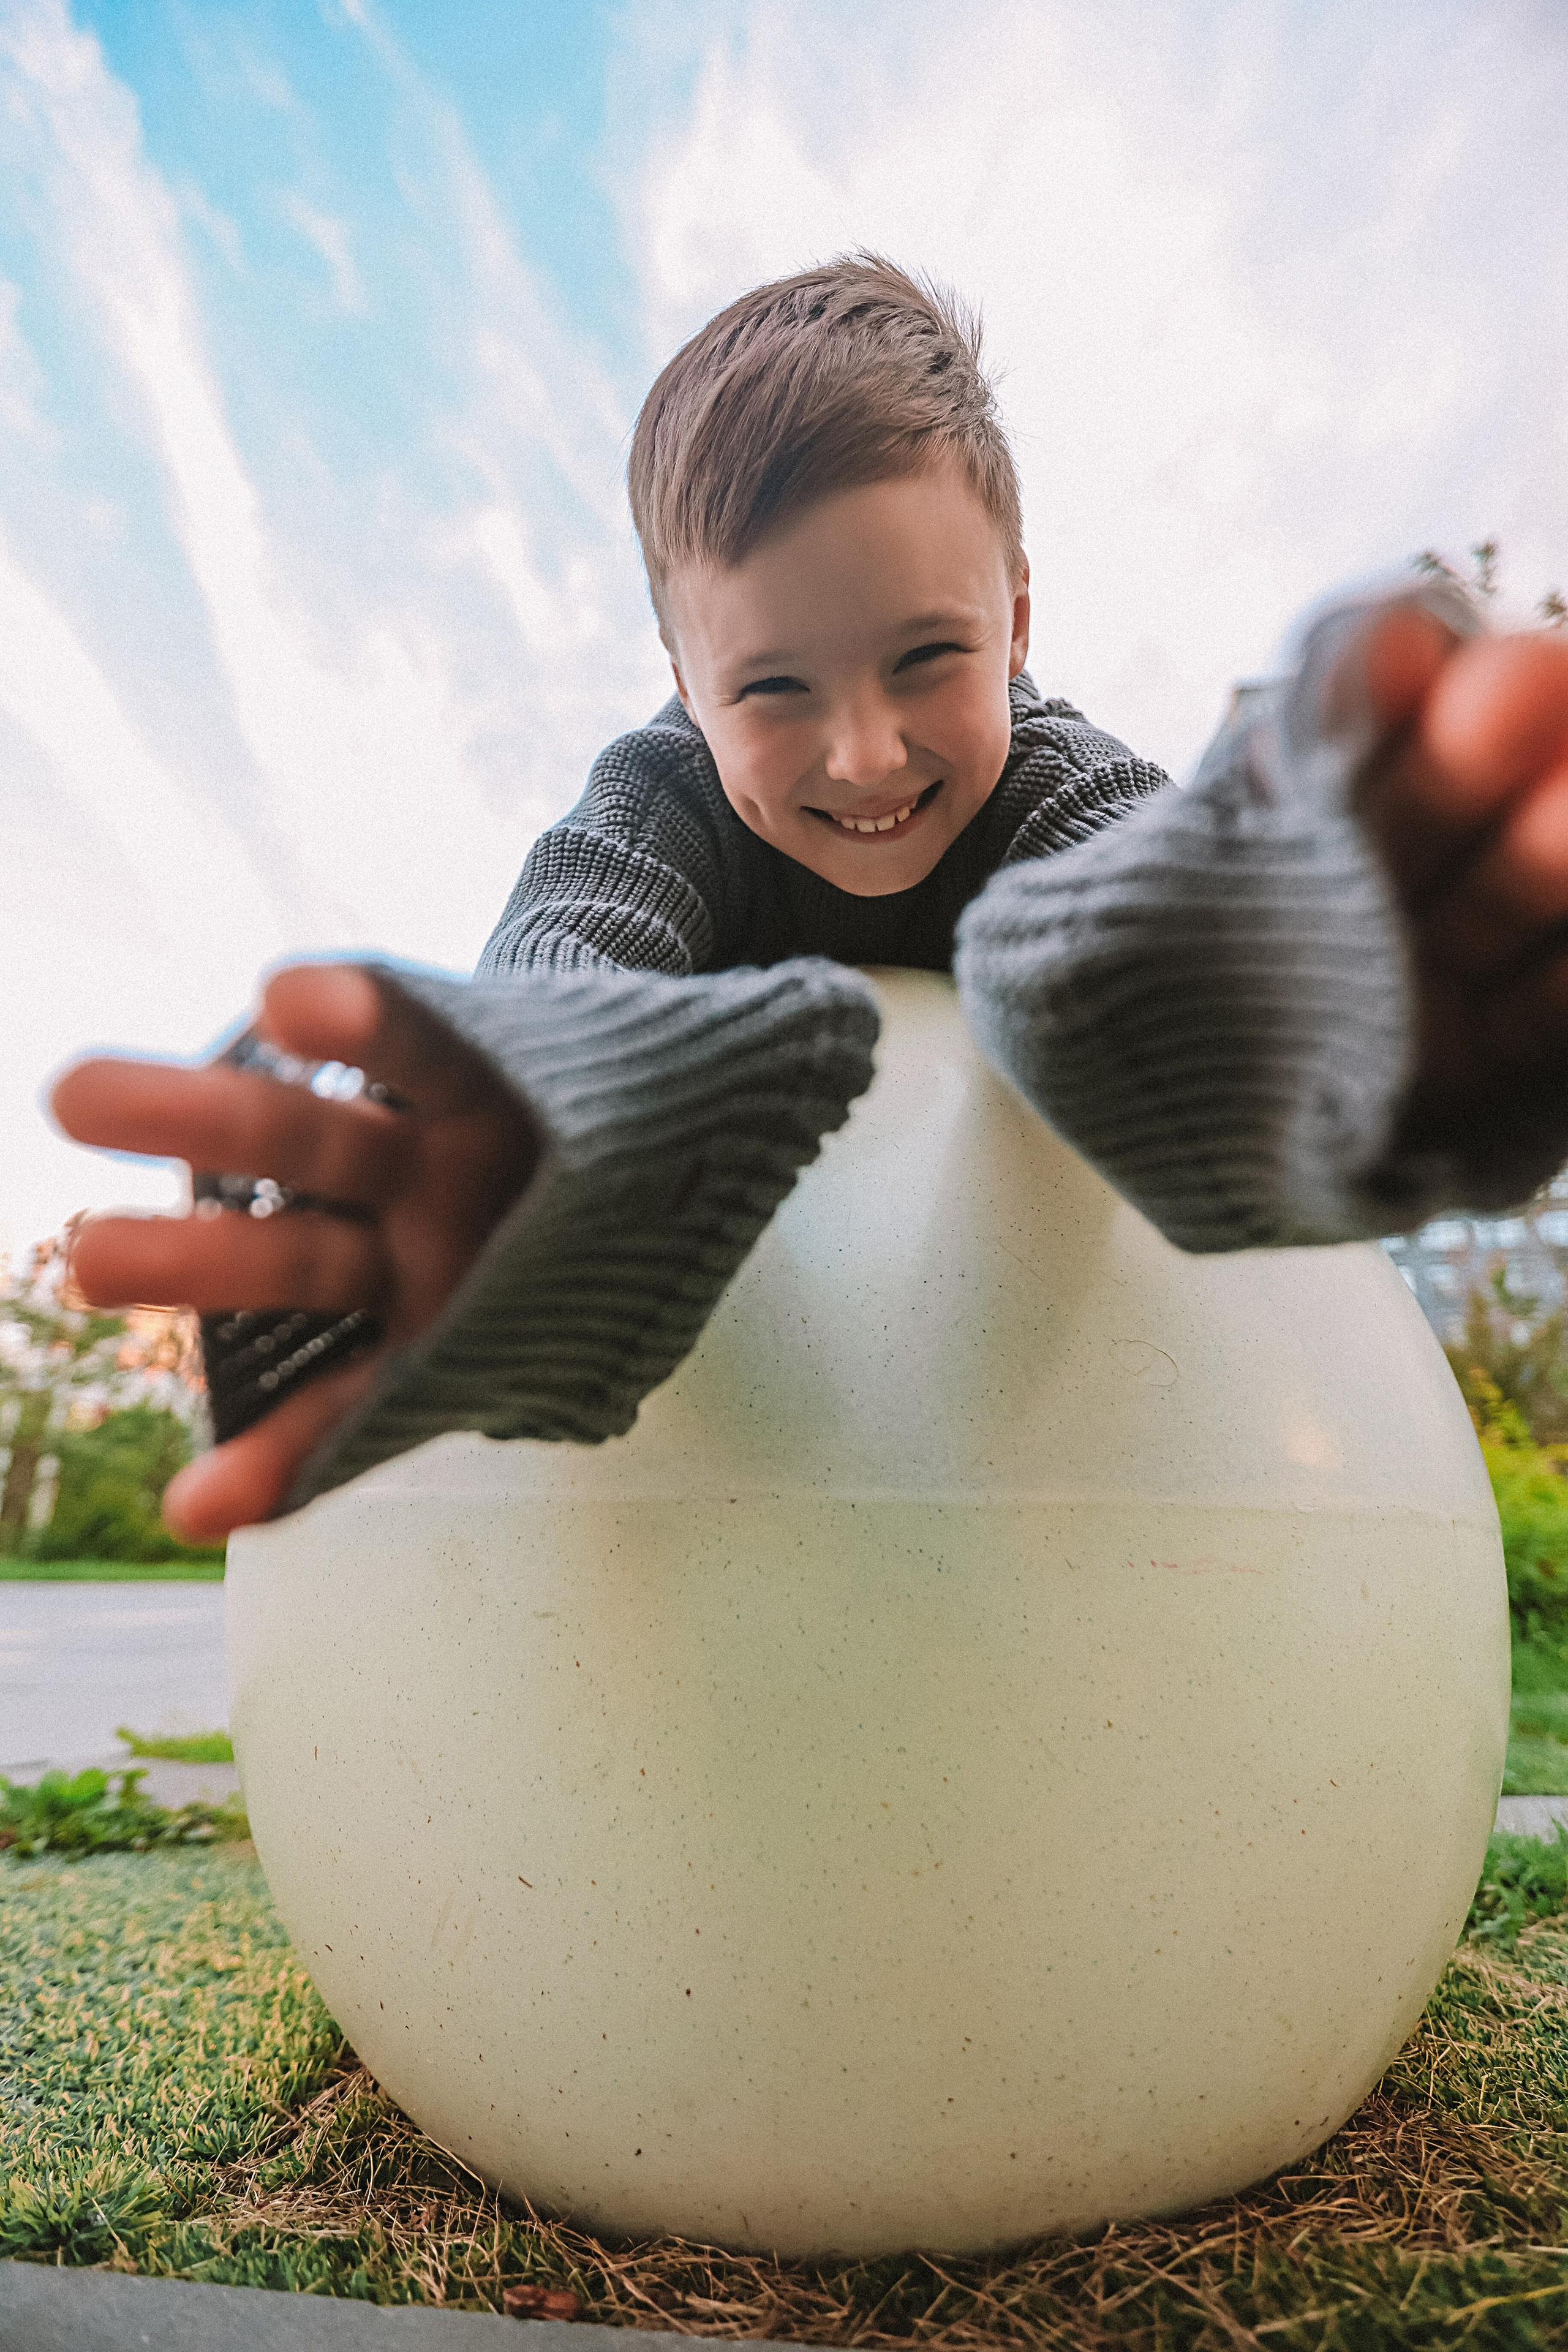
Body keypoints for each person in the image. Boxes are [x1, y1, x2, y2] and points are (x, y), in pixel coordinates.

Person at [50, 257, 1568, 1545]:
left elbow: (1121, 922)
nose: (863, 754)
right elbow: (570, 961)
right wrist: (540, 1135)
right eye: (771, 688)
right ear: (682, 680)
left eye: (927, 659)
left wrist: (1296, 988)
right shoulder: (657, 800)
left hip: (1055, 1458)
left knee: (1066, 972)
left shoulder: (1059, 785)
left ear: (1015, 620)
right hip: (706, 1501)